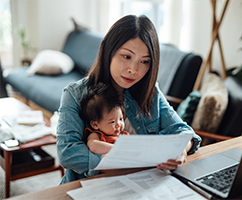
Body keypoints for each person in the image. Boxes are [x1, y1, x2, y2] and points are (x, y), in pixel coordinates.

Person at [56, 14, 201, 184]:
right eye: (126, 56)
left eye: (144, 62)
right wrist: (129, 162)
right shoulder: (74, 94)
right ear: (109, 51)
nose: (134, 70)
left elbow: (184, 132)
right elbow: (68, 153)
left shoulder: (151, 92)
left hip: (145, 183)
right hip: (93, 185)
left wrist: (181, 151)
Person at [79, 84, 129, 155]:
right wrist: (117, 149)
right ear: (95, 124)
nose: (118, 124)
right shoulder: (97, 135)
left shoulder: (123, 135)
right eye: (112, 122)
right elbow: (93, 146)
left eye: (120, 119)